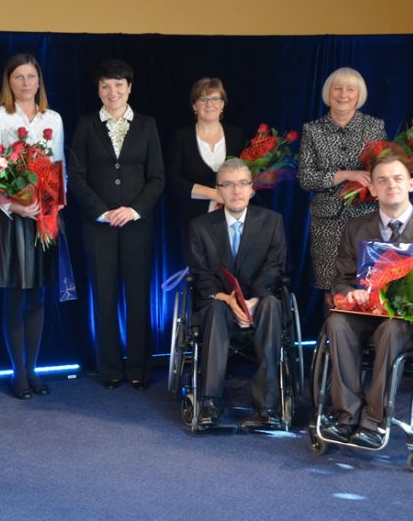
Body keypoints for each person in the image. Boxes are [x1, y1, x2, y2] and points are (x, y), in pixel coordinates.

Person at [321, 152, 413, 448]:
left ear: (411, 184)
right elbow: (342, 278)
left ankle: (374, 421)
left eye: (398, 178)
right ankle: (347, 417)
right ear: (372, 189)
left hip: (410, 320)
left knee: (392, 329)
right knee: (337, 322)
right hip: (365, 312)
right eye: (382, 180)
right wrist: (349, 292)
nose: (391, 185)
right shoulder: (356, 227)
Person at [68, 59, 165, 390]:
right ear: (98, 90)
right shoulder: (86, 125)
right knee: (104, 297)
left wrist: (134, 210)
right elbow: (76, 177)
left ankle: (139, 367)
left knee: (138, 297)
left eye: (119, 85)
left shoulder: (147, 125)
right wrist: (102, 211)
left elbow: (157, 177)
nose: (113, 91)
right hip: (99, 226)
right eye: (106, 86)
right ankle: (109, 368)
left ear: (129, 88)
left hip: (138, 225)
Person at [0, 54, 64, 400]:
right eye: (18, 77)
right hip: (12, 218)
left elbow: (58, 168)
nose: (26, 83)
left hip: (42, 217)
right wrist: (15, 205)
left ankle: (33, 369)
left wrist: (51, 206)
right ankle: (18, 372)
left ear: (39, 81)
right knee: (16, 296)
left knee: (39, 295)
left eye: (31, 76)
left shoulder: (53, 118)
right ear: (9, 82)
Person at [187, 158, 287, 430]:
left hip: (259, 302)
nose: (236, 190)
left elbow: (275, 267)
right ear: (218, 190)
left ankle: (267, 406)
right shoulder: (201, 226)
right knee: (215, 310)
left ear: (252, 188)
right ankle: (211, 401)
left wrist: (253, 301)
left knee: (272, 305)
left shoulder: (272, 221)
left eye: (243, 183)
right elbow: (201, 274)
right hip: (220, 304)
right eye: (228, 184)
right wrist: (227, 300)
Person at [297, 67, 386, 310]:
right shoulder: (312, 130)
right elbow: (306, 178)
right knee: (332, 292)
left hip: (366, 218)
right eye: (337, 88)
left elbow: (382, 169)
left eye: (350, 89)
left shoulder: (374, 127)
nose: (343, 94)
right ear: (328, 93)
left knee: (368, 287)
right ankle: (334, 333)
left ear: (359, 95)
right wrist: (347, 175)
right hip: (327, 222)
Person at [166, 78, 247, 260]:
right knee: (200, 269)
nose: (209, 104)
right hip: (193, 218)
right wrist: (214, 194)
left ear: (222, 104)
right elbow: (173, 181)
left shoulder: (236, 135)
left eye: (215, 98)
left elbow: (248, 175)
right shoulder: (180, 137)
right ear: (194, 106)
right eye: (203, 99)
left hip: (234, 217)